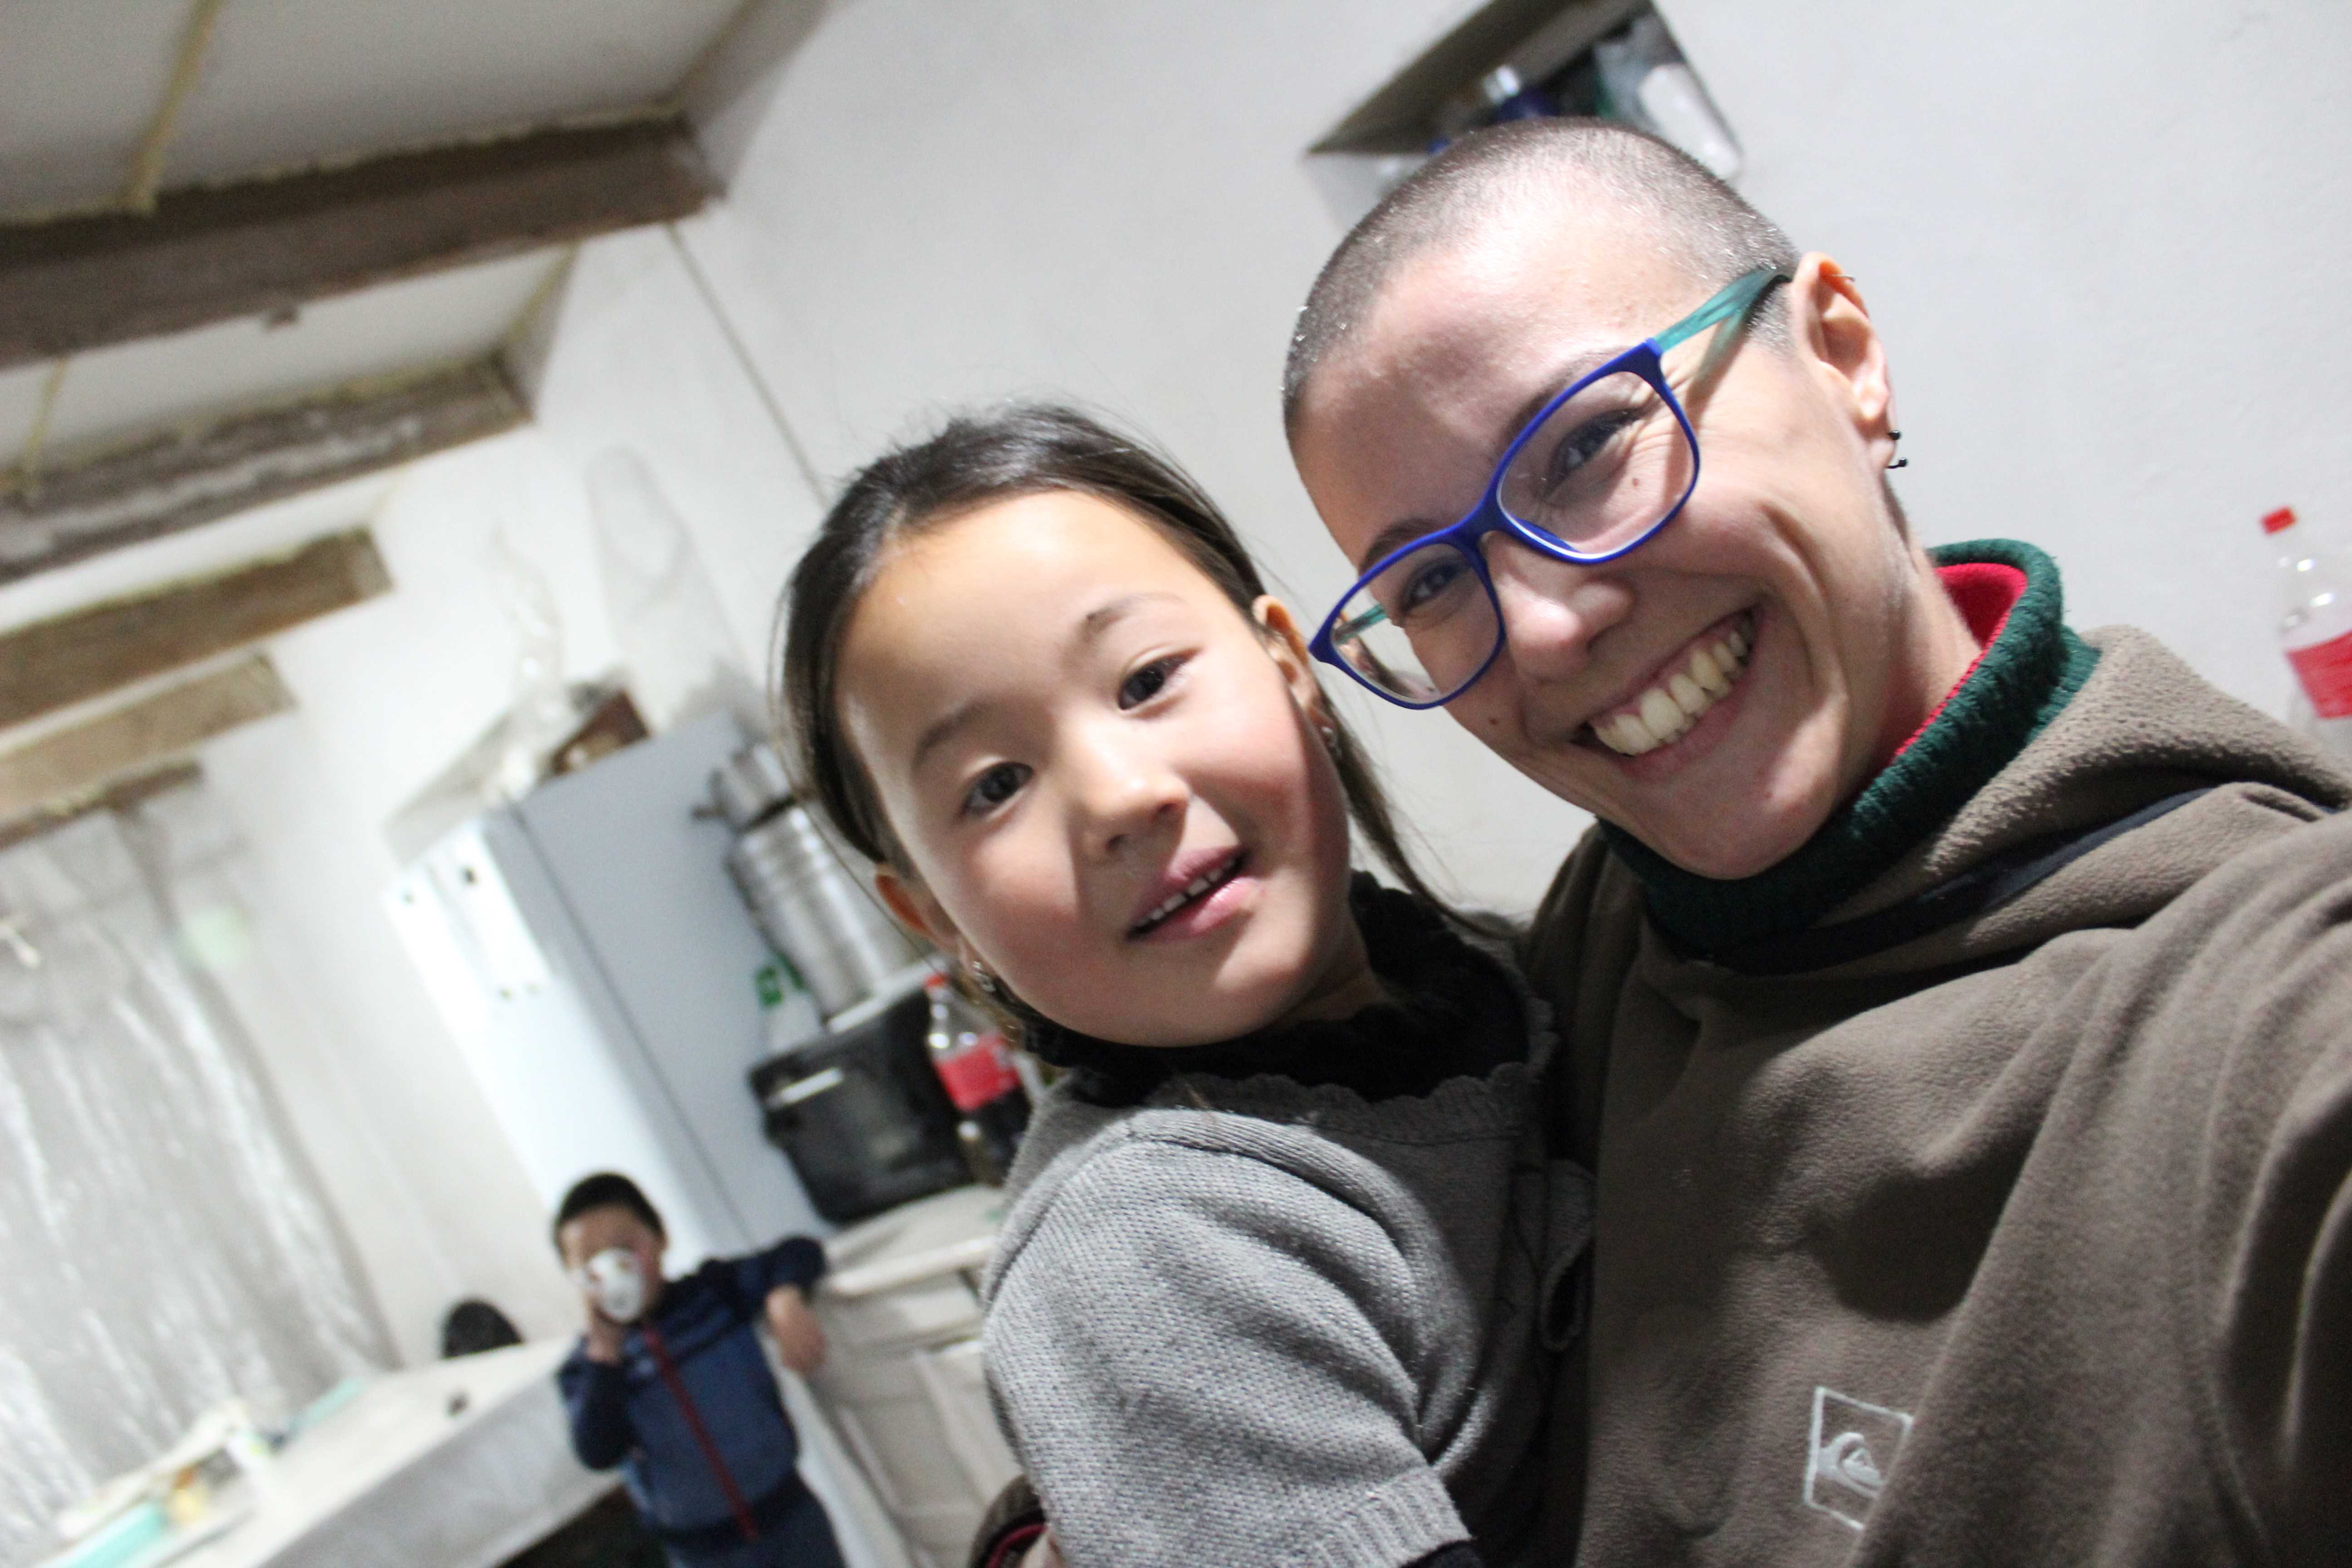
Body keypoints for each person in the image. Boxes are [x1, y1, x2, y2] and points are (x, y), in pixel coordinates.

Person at [1279, 116, 2352, 1563]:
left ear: (1843, 354)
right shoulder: (1596, 960)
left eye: (1587, 446)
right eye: (1428, 585)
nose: (1543, 627)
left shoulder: (2265, 1021)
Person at [777, 405, 1592, 1568]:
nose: (1120, 796)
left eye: (1147, 678)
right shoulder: (1145, 1254)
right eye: (996, 784)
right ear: (935, 918)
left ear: (1290, 666)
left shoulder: (1514, 973)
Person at [553, 1172, 846, 1568]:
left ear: (660, 1238)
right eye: (591, 1265)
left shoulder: (713, 1295)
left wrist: (785, 1298)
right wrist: (605, 1353)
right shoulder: (587, 1371)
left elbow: (800, 1251)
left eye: (625, 1248)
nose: (613, 1270)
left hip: (791, 1519)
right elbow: (597, 1451)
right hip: (702, 1554)